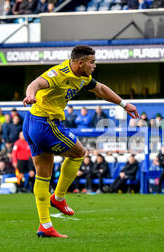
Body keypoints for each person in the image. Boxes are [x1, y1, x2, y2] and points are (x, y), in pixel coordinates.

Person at [22, 45, 139, 238]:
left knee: (43, 173)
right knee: (79, 152)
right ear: (80, 63)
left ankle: (45, 225)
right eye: (92, 62)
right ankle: (58, 198)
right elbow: (36, 83)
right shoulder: (59, 74)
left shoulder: (83, 76)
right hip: (45, 123)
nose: (94, 65)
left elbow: (100, 89)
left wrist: (124, 104)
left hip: (32, 123)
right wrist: (30, 94)